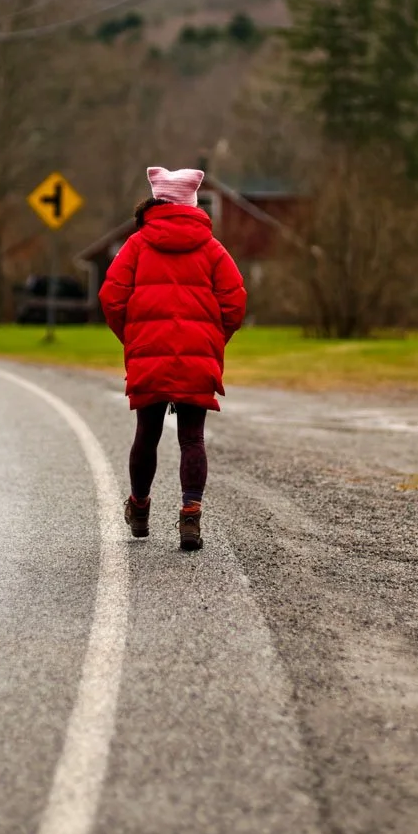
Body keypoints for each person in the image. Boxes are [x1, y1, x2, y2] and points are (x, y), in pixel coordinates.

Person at [98, 166, 247, 551]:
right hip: (197, 356)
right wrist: (214, 340)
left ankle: (140, 508)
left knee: (146, 435)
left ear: (156, 200)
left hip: (148, 352)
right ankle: (190, 517)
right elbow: (234, 301)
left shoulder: (135, 245)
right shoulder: (212, 249)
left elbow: (111, 298)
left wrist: (133, 338)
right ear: (192, 204)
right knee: (192, 438)